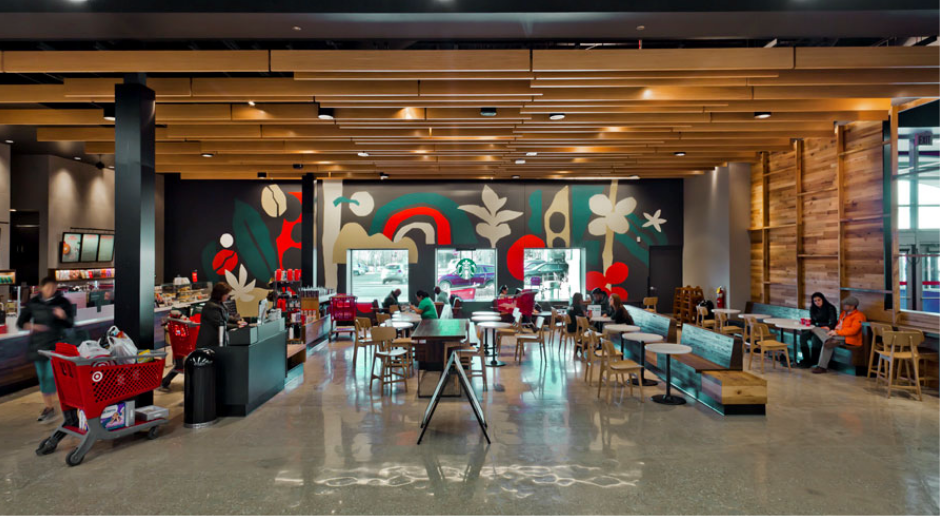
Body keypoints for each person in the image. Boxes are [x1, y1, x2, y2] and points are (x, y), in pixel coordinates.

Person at [17, 277, 74, 422]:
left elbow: (70, 324)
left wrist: (63, 316)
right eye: (48, 288)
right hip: (37, 344)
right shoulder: (34, 303)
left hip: (56, 344)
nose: (51, 291)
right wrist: (32, 326)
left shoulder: (63, 303)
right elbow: (21, 322)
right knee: (42, 377)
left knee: (51, 376)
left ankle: (65, 406)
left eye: (53, 288)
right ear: (41, 288)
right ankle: (49, 408)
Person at [812, 296, 866, 374]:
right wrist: (832, 330)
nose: (843, 306)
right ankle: (828, 338)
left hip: (847, 337)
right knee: (814, 328)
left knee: (828, 344)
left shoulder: (859, 316)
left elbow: (853, 331)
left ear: (852, 306)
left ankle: (822, 367)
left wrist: (837, 332)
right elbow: (838, 325)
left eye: (845, 305)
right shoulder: (843, 314)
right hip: (837, 334)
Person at [194, 282, 244, 349]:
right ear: (220, 294)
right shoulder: (211, 307)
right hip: (209, 344)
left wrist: (236, 321)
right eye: (226, 294)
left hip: (217, 342)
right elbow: (220, 324)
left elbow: (225, 316)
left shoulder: (220, 304)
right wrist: (237, 326)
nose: (228, 296)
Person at [799, 292, 838, 368]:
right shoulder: (812, 308)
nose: (817, 302)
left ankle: (814, 360)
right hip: (815, 328)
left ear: (823, 299)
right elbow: (813, 321)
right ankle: (806, 360)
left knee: (815, 338)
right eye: (815, 301)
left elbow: (833, 321)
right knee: (803, 337)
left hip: (825, 329)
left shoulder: (830, 307)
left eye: (819, 300)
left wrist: (829, 327)